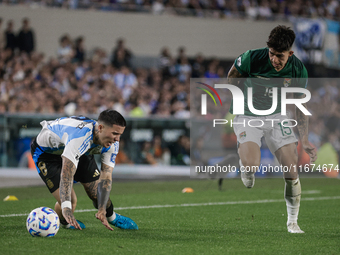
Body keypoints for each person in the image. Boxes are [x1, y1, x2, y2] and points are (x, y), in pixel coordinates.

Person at [227, 25, 317, 233]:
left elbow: (300, 106)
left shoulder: (297, 69)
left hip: (276, 116)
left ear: (290, 54)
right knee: (251, 165)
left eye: (280, 56)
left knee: (291, 169)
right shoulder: (252, 58)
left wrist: (304, 139)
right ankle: (246, 163)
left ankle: (292, 222)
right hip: (248, 114)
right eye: (272, 54)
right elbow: (232, 77)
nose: (275, 60)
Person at [30, 110, 138, 231]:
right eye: (114, 133)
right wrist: (66, 208)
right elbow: (67, 174)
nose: (117, 139)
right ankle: (65, 222)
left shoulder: (112, 143)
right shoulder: (79, 138)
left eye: (120, 135)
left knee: (97, 194)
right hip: (46, 155)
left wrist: (102, 208)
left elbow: (106, 176)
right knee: (70, 201)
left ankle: (113, 218)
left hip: (81, 151)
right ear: (100, 128)